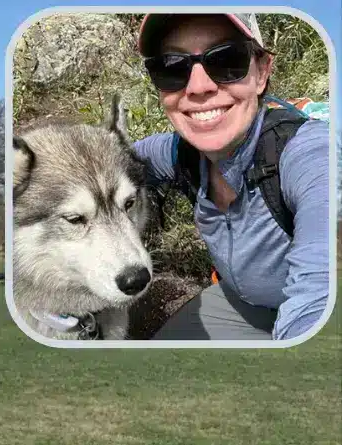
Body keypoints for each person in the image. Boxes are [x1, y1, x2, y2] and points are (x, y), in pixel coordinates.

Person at [131, 13, 330, 340]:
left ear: (262, 72)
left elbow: (319, 292)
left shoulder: (306, 154)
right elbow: (107, 160)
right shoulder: (181, 154)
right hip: (245, 303)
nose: (198, 87)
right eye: (171, 67)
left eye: (226, 59)